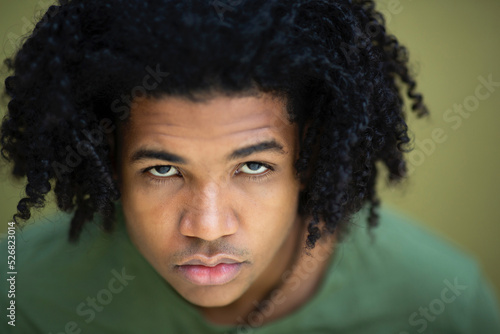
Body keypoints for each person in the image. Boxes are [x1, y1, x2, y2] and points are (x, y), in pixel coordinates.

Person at [1, 0, 499, 333]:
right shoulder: (20, 292)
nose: (207, 227)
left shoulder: (440, 301)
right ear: (107, 161)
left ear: (313, 157)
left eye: (254, 167)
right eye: (162, 170)